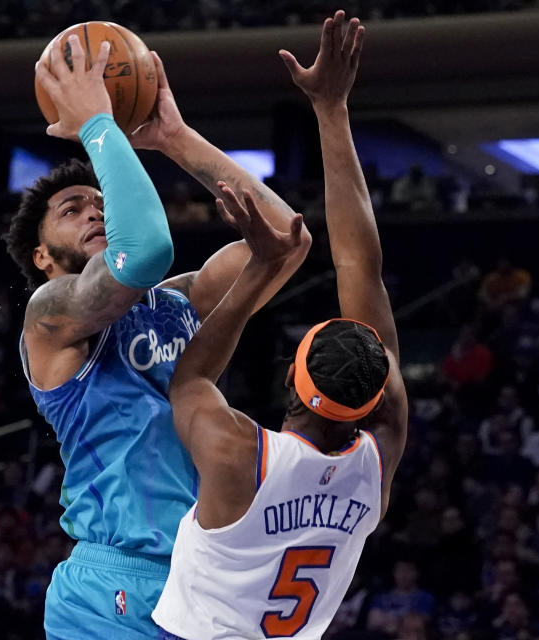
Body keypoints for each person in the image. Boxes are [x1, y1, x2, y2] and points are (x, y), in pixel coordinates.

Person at [6, 33, 310, 640]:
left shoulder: (177, 299)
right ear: (41, 256)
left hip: (210, 576)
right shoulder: (50, 316)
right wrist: (98, 124)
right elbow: (142, 251)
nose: (96, 210)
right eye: (72, 209)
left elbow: (286, 240)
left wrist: (176, 139)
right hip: (114, 584)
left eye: (99, 201)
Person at [153, 13, 408, 638]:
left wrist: (261, 268)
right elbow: (361, 265)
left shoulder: (242, 453)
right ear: (377, 397)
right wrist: (331, 111)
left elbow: (187, 378)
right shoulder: (378, 457)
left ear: (291, 386)